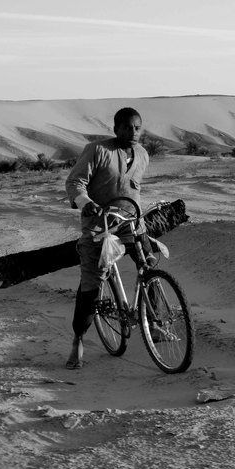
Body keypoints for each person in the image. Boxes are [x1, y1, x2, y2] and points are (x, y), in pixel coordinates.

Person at [64, 107, 153, 369]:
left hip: (130, 222)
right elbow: (75, 182)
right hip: (98, 225)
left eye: (137, 127)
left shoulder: (143, 155)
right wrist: (85, 202)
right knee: (91, 283)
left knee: (148, 263)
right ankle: (78, 338)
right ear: (115, 129)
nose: (133, 132)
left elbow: (133, 187)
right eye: (127, 127)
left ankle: (154, 322)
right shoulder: (97, 150)